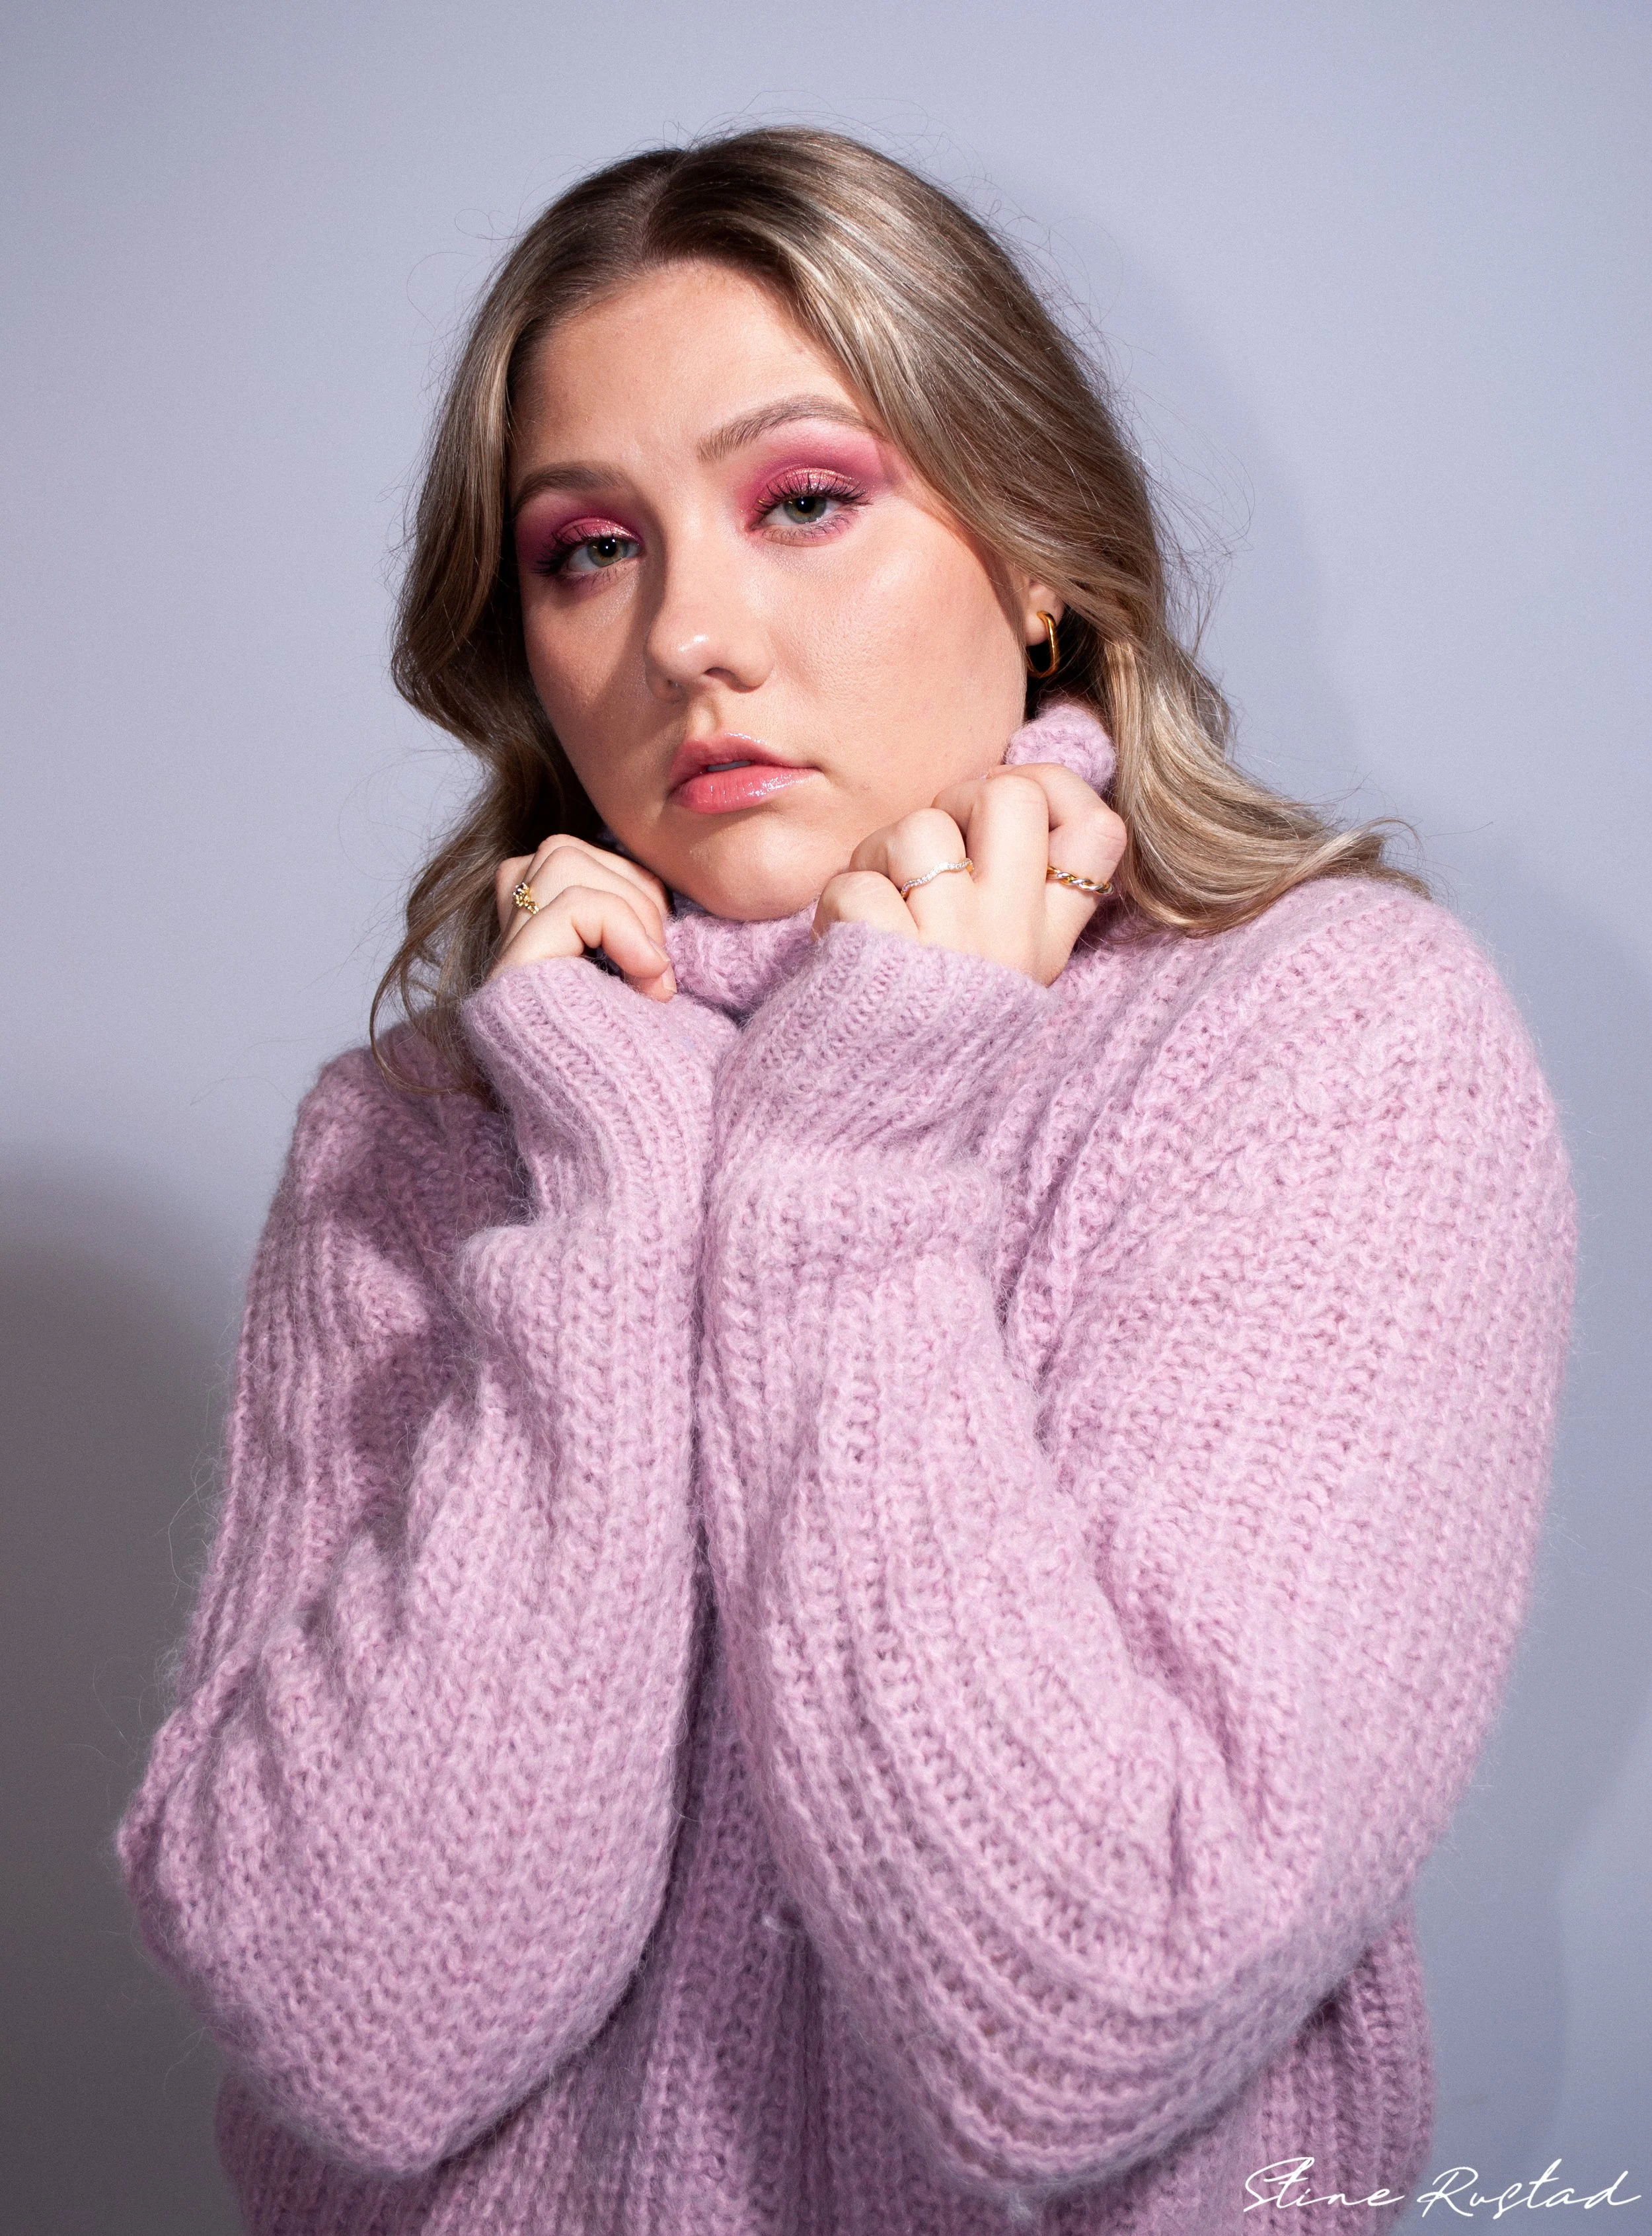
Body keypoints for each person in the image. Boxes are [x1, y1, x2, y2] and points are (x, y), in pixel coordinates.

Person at [114, 128, 1576, 2235]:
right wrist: (611, 1203)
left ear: (1037, 548)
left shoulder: (1321, 1040)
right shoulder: (416, 1140)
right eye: (588, 548)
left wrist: (843, 1161)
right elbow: (364, 2024)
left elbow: (1081, 2007)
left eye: (803, 500)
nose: (691, 634)